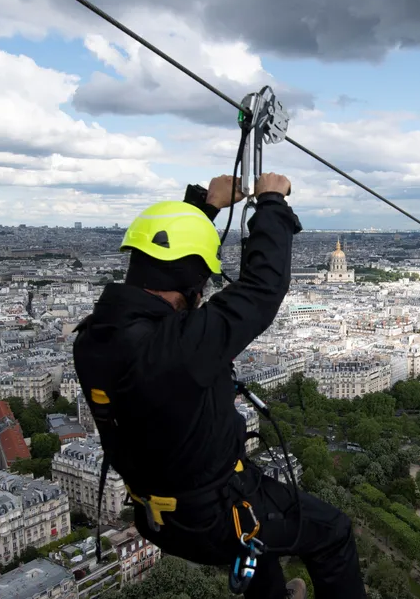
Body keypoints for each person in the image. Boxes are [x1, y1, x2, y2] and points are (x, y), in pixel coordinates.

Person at [73, 173, 365, 599]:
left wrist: (204, 206)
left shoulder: (92, 337)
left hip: (156, 516)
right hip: (211, 517)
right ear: (190, 289)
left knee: (259, 542)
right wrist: (271, 204)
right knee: (333, 533)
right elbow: (262, 288)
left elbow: (170, 257)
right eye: (202, 285)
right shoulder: (179, 348)